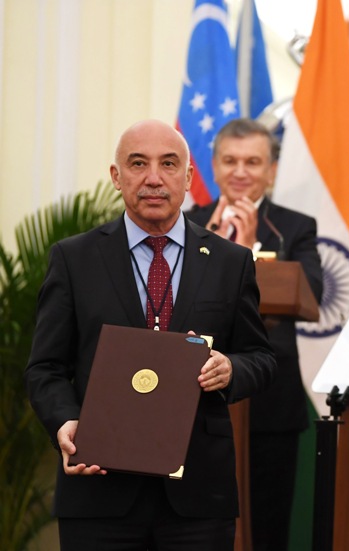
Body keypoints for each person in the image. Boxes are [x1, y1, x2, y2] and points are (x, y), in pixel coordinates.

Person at [24, 119, 276, 551]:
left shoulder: (231, 262)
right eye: (138, 164)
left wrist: (231, 368)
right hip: (99, 492)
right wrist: (65, 422)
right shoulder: (74, 258)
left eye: (169, 164)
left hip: (198, 497)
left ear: (189, 177)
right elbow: (45, 368)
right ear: (116, 177)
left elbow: (261, 357)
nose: (154, 178)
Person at [187, 118, 323, 551]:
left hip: (271, 394)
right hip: (192, 393)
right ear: (213, 166)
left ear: (272, 170)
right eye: (230, 160)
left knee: (268, 522)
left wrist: (244, 257)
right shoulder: (183, 221)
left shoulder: (295, 227)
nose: (240, 171)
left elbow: (311, 295)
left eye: (252, 161)